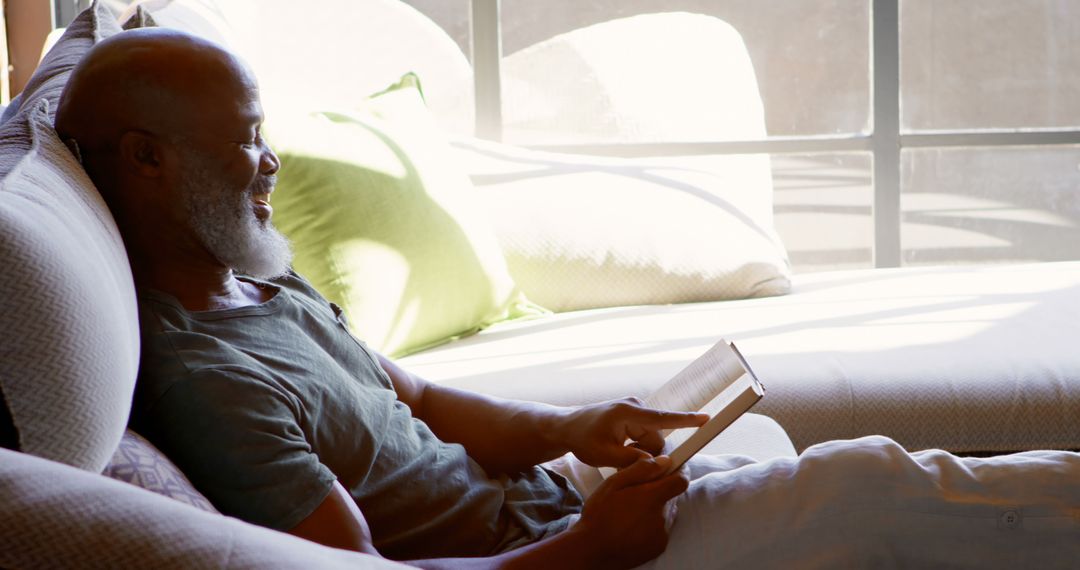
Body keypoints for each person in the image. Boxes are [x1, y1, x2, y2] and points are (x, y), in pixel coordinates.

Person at [55, 28, 1080, 569]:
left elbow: (418, 402)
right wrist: (587, 550)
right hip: (547, 557)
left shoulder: (257, 280)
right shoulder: (205, 381)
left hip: (552, 515)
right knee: (865, 484)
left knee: (774, 456)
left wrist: (577, 428)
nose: (270, 159)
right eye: (245, 137)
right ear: (146, 161)